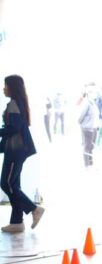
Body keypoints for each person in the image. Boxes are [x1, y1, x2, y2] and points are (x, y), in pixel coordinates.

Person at [0, 75, 44, 233]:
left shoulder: (14, 104)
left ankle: (34, 209)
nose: (3, 88)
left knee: (7, 183)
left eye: (5, 85)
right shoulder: (17, 103)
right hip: (15, 149)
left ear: (12, 87)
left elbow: (14, 128)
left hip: (16, 150)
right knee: (13, 185)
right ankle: (17, 222)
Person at [78, 85, 99, 167]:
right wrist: (83, 124)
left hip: (94, 127)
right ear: (89, 93)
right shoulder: (87, 102)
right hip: (87, 128)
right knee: (87, 146)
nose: (95, 94)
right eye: (92, 92)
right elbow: (81, 115)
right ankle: (87, 165)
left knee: (91, 146)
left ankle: (91, 163)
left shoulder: (93, 102)